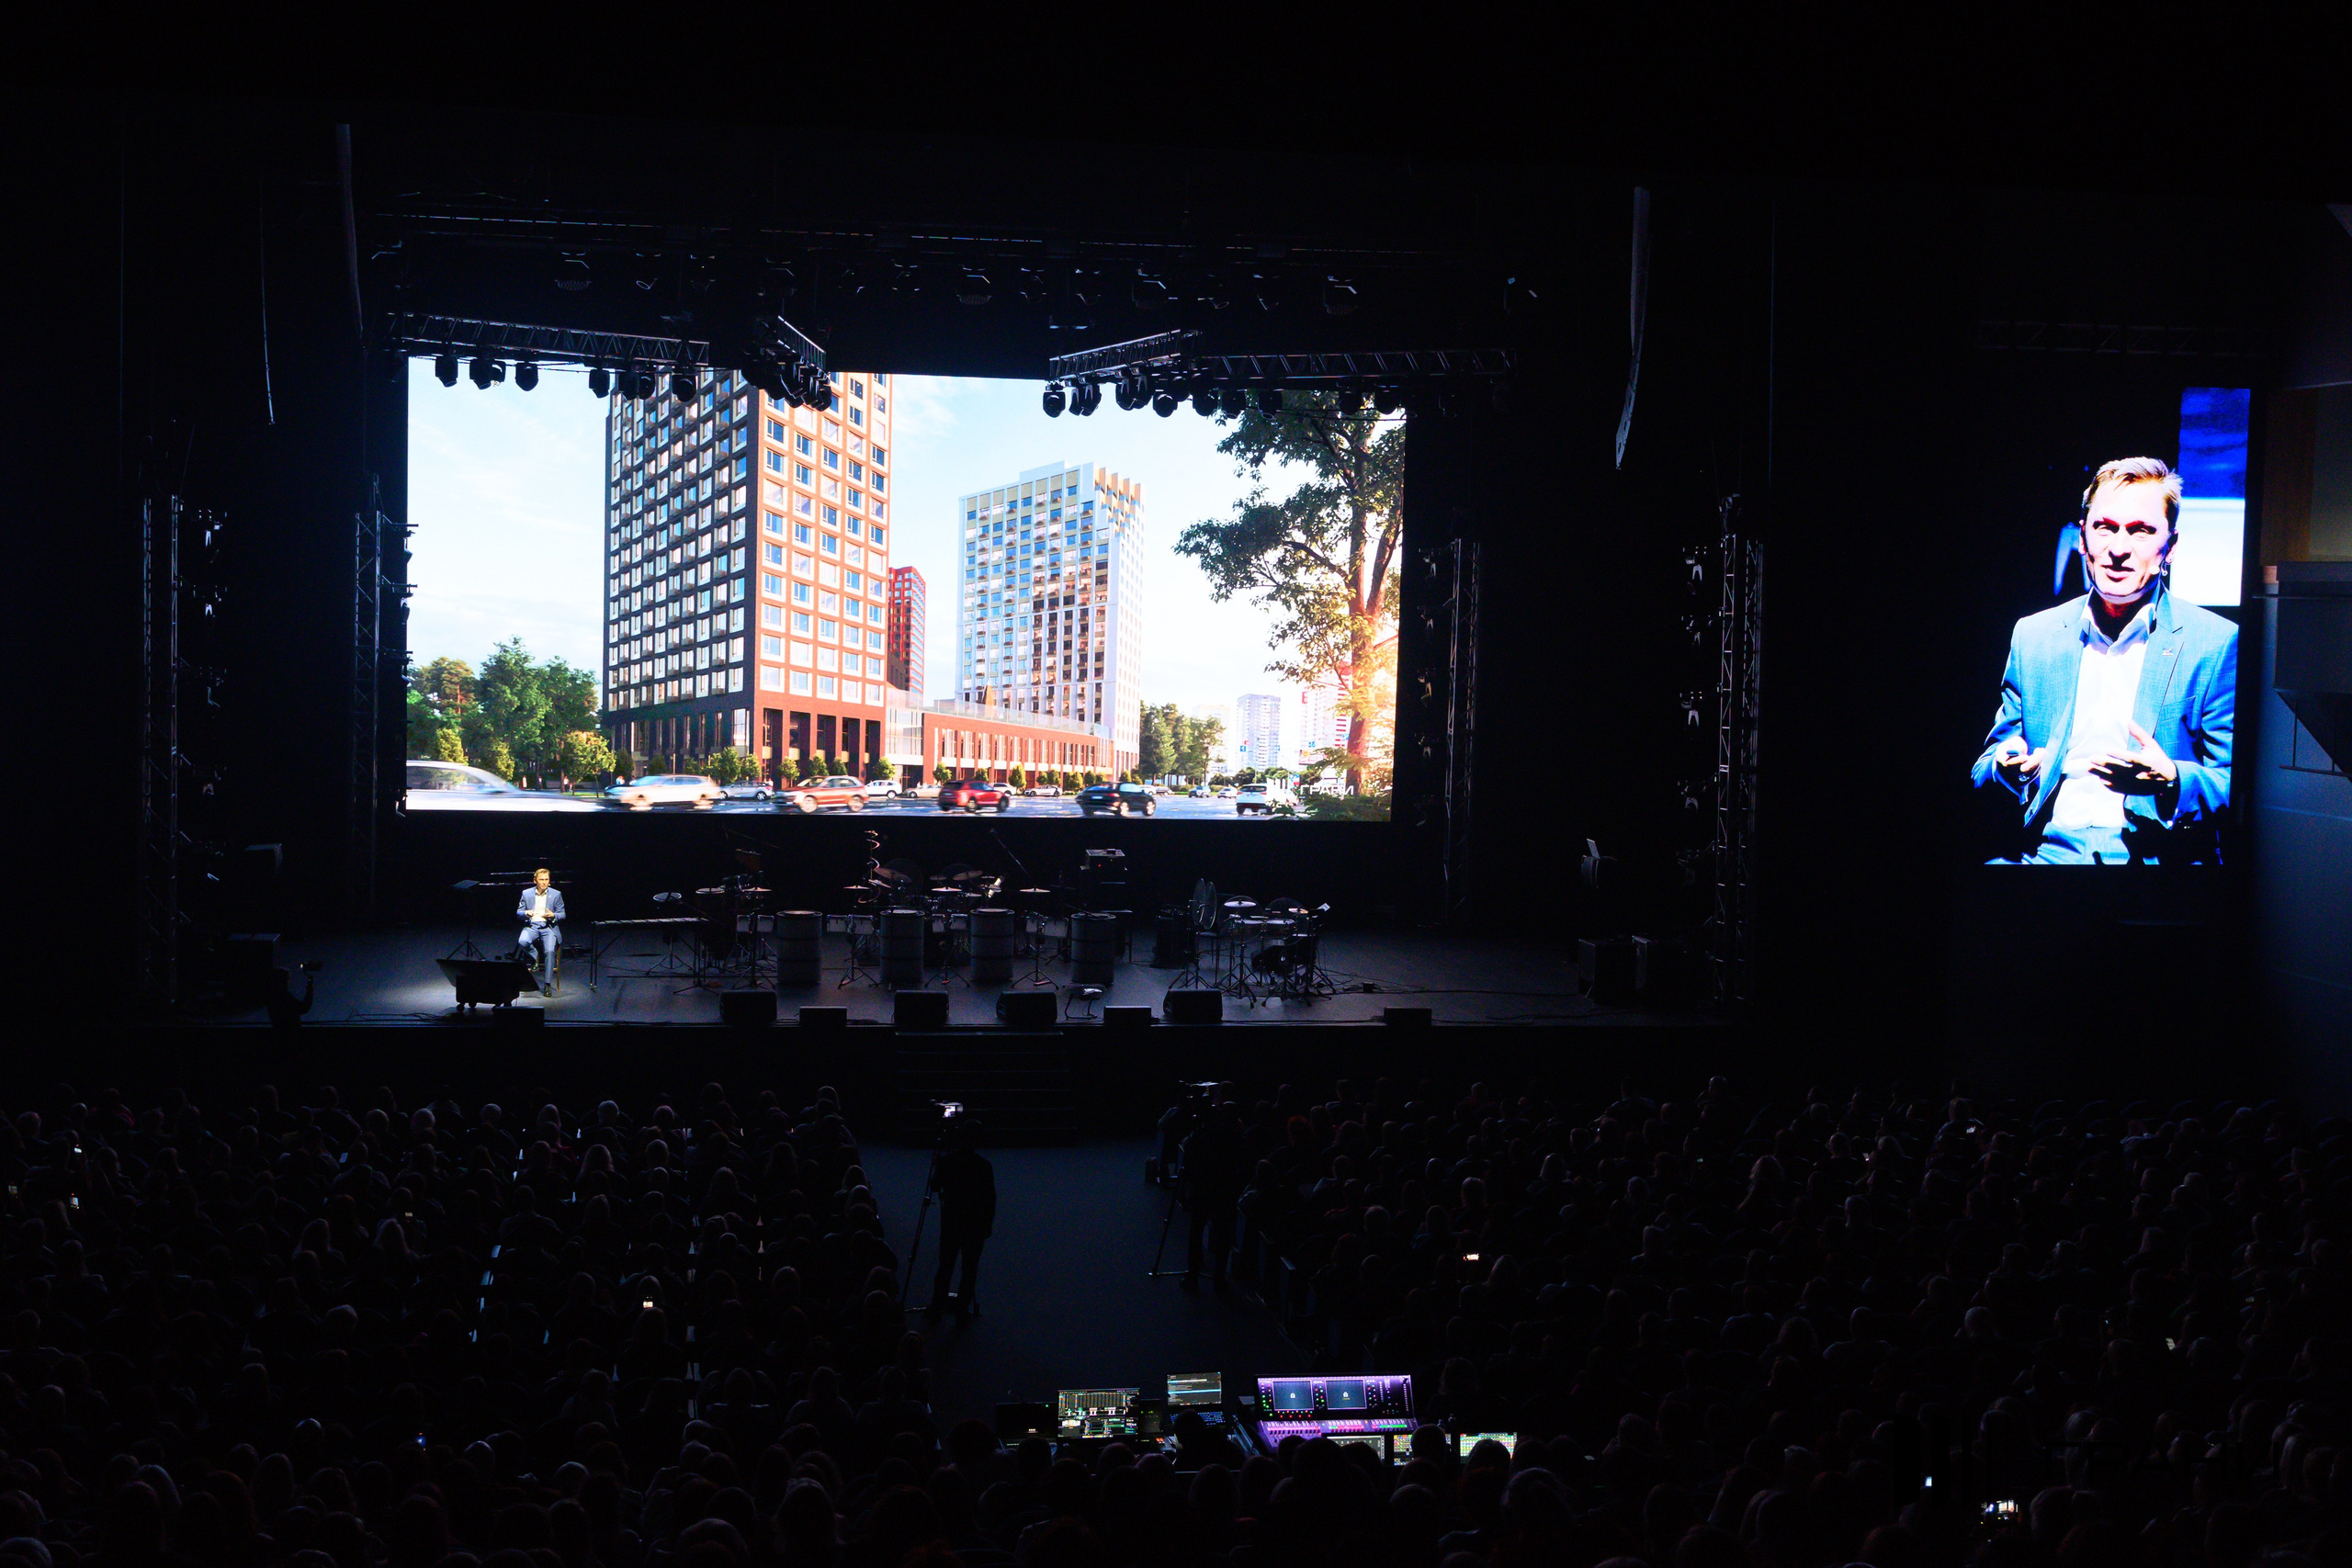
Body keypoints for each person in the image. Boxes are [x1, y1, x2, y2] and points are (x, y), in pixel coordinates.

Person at [1971, 456, 2236, 864]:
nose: (2118, 549)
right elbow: (1985, 766)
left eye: (2141, 530)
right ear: (2082, 538)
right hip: (2048, 854)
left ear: (2170, 546)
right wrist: (2003, 768)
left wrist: (2172, 780)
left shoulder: (2214, 642)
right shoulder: (2034, 636)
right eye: (2105, 528)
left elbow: (2235, 784)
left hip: (2158, 861)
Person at [925, 1116, 995, 1320]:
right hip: (975, 1224)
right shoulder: (984, 1166)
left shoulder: (948, 1162)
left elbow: (934, 1186)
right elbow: (990, 1199)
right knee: (969, 1269)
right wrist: (987, 1225)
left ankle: (937, 1307)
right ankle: (962, 1311)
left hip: (952, 1222)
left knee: (945, 1266)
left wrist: (937, 1166)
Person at [1179, 1103, 1245, 1292]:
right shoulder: (1236, 1137)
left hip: (1204, 1188)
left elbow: (1189, 1158)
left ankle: (1192, 1276)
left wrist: (1190, 1183)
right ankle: (1219, 1280)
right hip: (1226, 1190)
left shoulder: (1202, 1134)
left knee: (1196, 1231)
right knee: (1224, 1235)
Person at [515, 867, 566, 994]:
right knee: (522, 941)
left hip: (548, 927)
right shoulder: (526, 893)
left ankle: (547, 984)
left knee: (550, 951)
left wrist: (553, 915)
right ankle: (536, 956)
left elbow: (562, 914)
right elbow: (519, 913)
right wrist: (526, 913)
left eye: (546, 879)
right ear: (535, 881)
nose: (544, 882)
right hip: (532, 925)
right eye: (541, 880)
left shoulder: (556, 894)